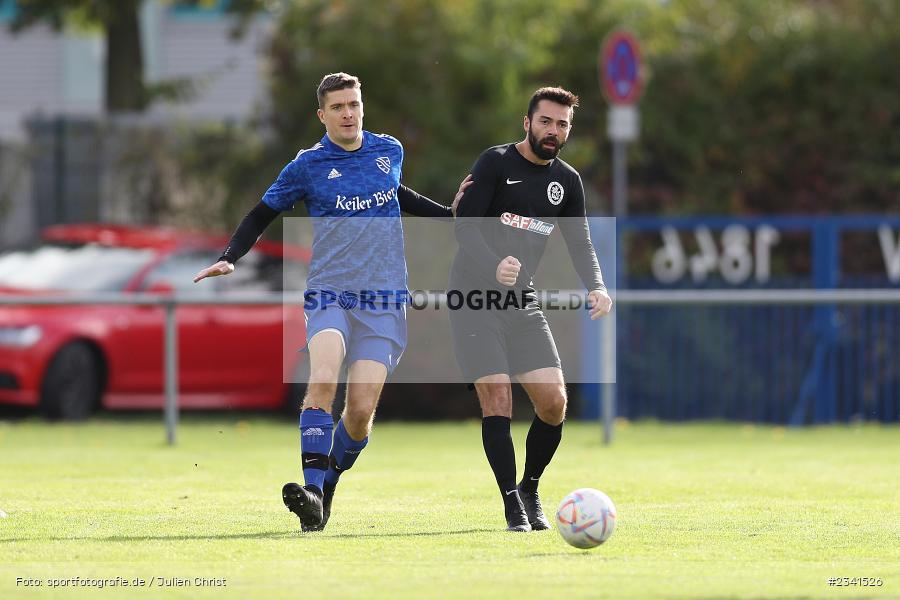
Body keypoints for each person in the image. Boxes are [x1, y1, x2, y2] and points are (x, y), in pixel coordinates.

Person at [193, 72, 469, 532]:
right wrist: (229, 257)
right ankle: (312, 490)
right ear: (322, 115)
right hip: (330, 292)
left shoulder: (389, 151)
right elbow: (262, 213)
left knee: (358, 415)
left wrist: (448, 215)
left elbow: (395, 195)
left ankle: (327, 484)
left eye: (354, 104)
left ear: (363, 107)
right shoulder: (307, 166)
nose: (348, 113)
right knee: (323, 375)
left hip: (384, 298)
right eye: (338, 107)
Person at [451, 86, 613, 532]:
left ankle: (530, 487)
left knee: (555, 402)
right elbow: (464, 227)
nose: (553, 130)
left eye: (562, 124)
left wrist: (597, 286)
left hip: (521, 300)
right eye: (545, 121)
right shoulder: (495, 163)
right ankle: (510, 505)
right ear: (527, 122)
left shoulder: (569, 182)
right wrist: (493, 264)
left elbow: (580, 241)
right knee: (498, 398)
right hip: (474, 300)